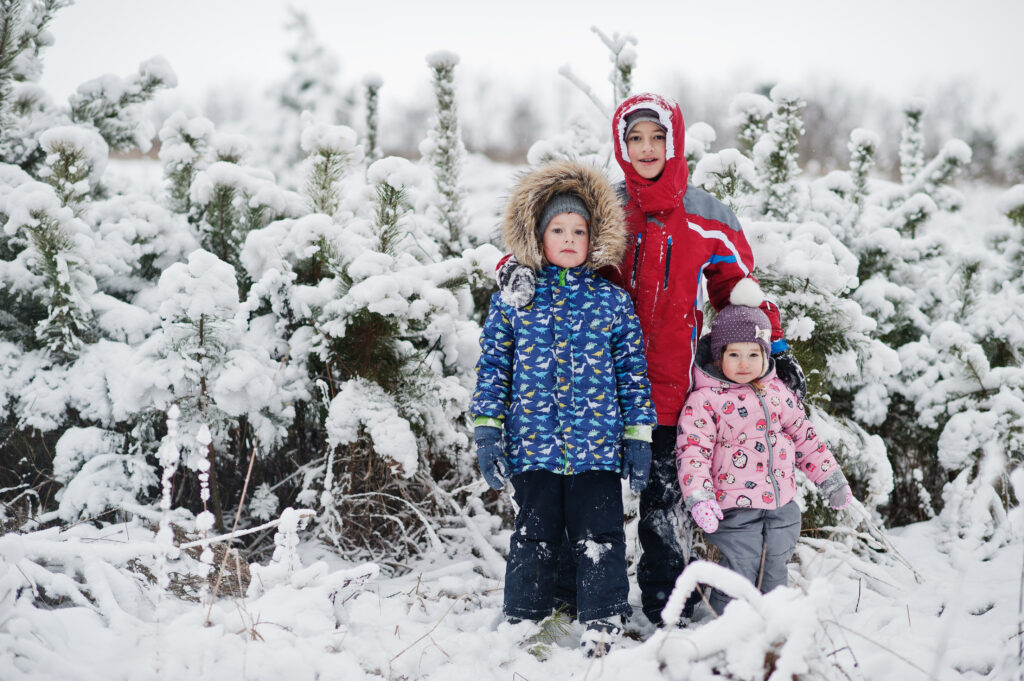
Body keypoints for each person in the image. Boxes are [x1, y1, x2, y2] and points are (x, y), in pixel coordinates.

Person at [496, 92, 806, 626]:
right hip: (593, 388)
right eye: (634, 137)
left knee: (663, 507)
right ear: (621, 144)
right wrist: (510, 269)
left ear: (675, 140)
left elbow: (737, 291)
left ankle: (666, 605)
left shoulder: (709, 217)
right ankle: (573, 596)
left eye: (657, 136)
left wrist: (773, 343)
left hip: (668, 390)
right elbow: (546, 238)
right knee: (583, 500)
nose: (646, 148)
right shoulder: (606, 207)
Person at [471, 159, 657, 656]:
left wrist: (639, 437)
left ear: (594, 237)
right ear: (538, 234)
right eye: (558, 229)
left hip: (597, 447)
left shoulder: (612, 302)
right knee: (534, 535)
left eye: (579, 229)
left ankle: (602, 618)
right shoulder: (516, 300)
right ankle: (526, 620)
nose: (570, 238)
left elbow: (632, 374)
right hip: (533, 444)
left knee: (600, 536)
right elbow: (493, 368)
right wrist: (488, 430)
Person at [676, 279, 851, 615]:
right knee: (740, 572)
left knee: (774, 574)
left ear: (765, 354)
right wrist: (699, 497)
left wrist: (831, 478)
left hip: (782, 507)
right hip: (736, 509)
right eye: (735, 354)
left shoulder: (777, 392)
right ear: (718, 357)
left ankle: (771, 630)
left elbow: (805, 437)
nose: (745, 363)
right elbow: (693, 452)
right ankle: (723, 628)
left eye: (753, 354)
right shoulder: (705, 400)